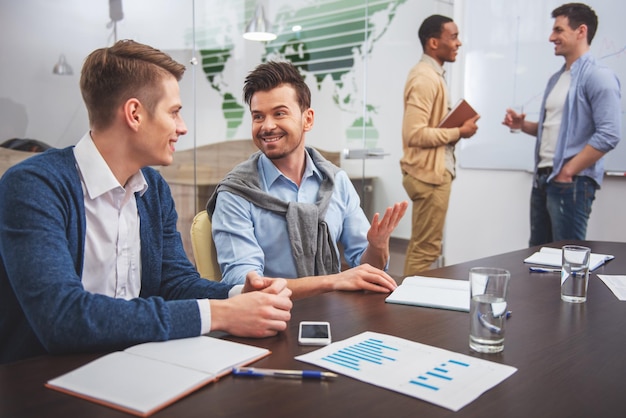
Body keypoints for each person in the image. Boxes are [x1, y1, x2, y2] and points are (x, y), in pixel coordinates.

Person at [0, 40, 292, 364]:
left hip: (135, 364)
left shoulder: (152, 188)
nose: (182, 128)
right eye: (174, 112)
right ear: (135, 114)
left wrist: (237, 296)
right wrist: (220, 313)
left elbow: (175, 283)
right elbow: (62, 317)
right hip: (42, 384)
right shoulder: (33, 186)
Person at [207, 61, 408, 300]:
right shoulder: (236, 193)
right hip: (267, 319)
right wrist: (333, 281)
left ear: (308, 119)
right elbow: (246, 287)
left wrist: (377, 247)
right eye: (258, 116)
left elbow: (369, 271)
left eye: (279, 113)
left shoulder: (335, 182)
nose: (267, 126)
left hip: (336, 314)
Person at [502, 3, 621, 246]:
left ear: (581, 31)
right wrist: (523, 126)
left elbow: (609, 133)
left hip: (571, 183)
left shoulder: (598, 76)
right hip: (544, 180)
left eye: (558, 30)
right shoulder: (557, 78)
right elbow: (559, 130)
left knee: (566, 260)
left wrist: (568, 171)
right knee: (537, 259)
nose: (551, 37)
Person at [400, 15, 480, 276]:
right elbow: (414, 134)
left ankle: (410, 309)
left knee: (424, 247)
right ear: (434, 42)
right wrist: (459, 130)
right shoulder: (425, 78)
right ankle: (411, 312)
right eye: (453, 37)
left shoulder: (432, 75)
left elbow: (428, 129)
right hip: (429, 176)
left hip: (432, 173)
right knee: (426, 250)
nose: (459, 43)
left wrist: (457, 131)